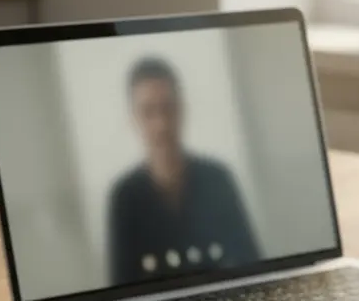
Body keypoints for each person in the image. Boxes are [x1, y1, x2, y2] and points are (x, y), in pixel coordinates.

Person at [107, 56, 260, 285]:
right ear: (134, 118)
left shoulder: (218, 178)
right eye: (149, 112)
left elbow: (252, 265)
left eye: (168, 108)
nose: (162, 124)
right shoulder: (124, 196)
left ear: (182, 108)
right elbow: (119, 288)